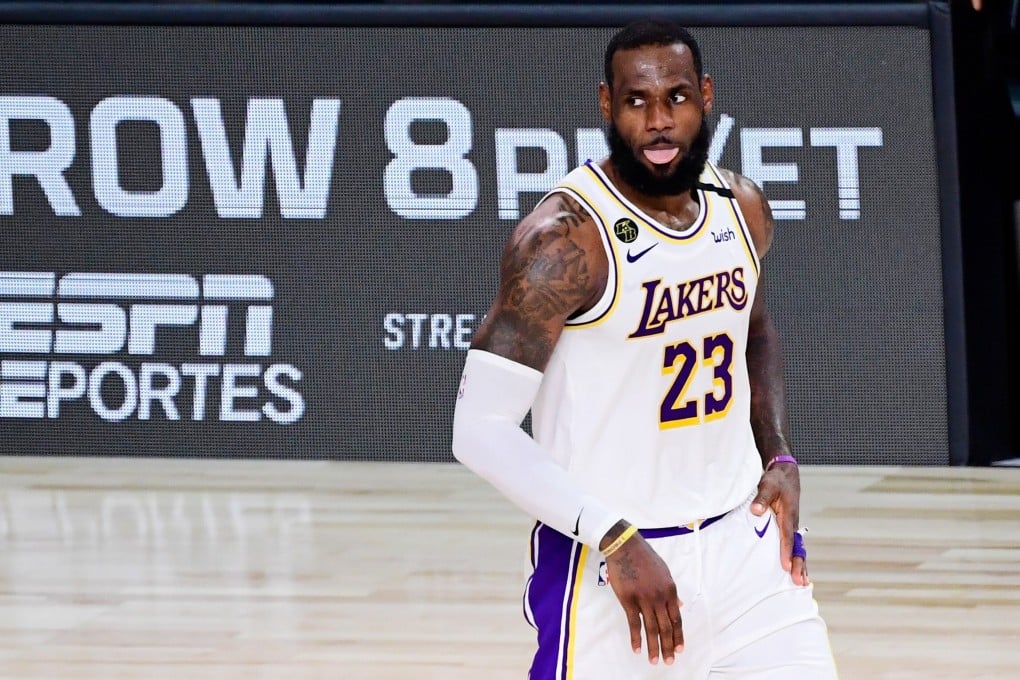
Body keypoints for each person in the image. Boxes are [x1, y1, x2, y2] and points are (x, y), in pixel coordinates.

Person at [452, 19, 838, 679]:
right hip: (616, 559)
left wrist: (777, 450)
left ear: (706, 95)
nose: (659, 121)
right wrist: (613, 536)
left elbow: (754, 331)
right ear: (607, 105)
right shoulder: (565, 242)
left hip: (746, 551)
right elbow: (478, 431)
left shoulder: (739, 207)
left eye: (676, 98)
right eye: (637, 101)